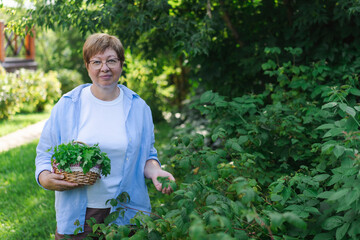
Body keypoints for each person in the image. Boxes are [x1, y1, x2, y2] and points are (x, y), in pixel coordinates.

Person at [35, 33, 175, 239]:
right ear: (87, 65)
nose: (104, 68)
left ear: (121, 63)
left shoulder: (138, 107)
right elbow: (45, 153)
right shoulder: (68, 104)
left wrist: (156, 171)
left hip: (127, 209)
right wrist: (44, 177)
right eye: (96, 62)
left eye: (111, 60)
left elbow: (147, 154)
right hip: (80, 212)